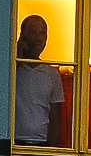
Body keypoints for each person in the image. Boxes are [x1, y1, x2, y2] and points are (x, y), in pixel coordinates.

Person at [12, 14, 65, 147]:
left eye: (42, 33)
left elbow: (55, 119)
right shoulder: (11, 70)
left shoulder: (52, 74)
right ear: (22, 36)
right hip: (13, 143)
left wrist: (50, 151)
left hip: (41, 144)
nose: (38, 38)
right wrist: (17, 59)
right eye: (33, 32)